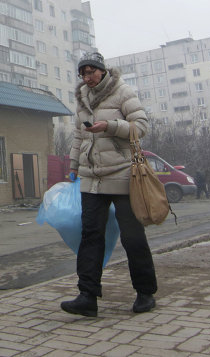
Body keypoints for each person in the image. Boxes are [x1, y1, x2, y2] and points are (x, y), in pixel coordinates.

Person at [62, 51, 156, 318]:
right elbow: (79, 137)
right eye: (83, 73)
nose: (88, 78)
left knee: (132, 236)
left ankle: (145, 293)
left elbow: (141, 126)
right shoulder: (82, 99)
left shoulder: (122, 92)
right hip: (92, 178)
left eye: (92, 72)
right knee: (90, 237)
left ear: (102, 70)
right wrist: (72, 167)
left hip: (123, 175)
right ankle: (87, 297)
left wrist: (110, 126)